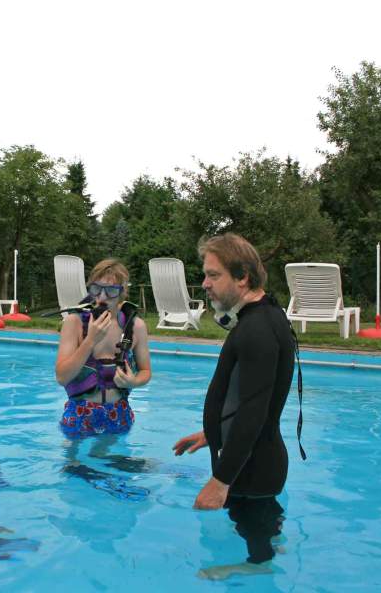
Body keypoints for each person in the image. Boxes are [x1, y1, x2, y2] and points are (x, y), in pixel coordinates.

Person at [172, 234, 299, 564]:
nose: (205, 284)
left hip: (253, 468)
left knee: (256, 548)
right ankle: (265, 551)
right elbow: (250, 397)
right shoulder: (262, 318)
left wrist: (220, 481)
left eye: (214, 275)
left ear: (242, 277)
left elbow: (255, 410)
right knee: (259, 529)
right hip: (254, 460)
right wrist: (212, 432)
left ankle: (259, 567)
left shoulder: (257, 330)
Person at [55, 258, 152, 437]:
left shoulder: (135, 327)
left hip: (119, 415)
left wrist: (134, 382)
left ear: (123, 293)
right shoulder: (74, 323)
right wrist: (90, 339)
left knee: (118, 463)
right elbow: (62, 377)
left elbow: (146, 371)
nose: (102, 297)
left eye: (111, 291)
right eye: (96, 289)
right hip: (80, 415)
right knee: (77, 465)